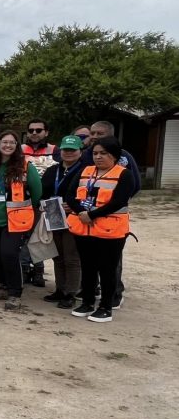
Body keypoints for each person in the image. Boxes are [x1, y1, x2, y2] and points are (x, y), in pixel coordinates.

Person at [65, 137, 133, 323]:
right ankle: (87, 302)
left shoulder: (124, 174)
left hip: (110, 230)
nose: (98, 157)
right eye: (95, 153)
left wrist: (92, 215)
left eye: (103, 153)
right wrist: (81, 212)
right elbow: (70, 195)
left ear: (115, 155)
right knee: (88, 267)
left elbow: (119, 201)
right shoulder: (85, 171)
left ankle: (105, 307)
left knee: (107, 269)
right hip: (85, 229)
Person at [79, 120, 141, 309]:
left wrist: (114, 202)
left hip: (110, 220)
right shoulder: (87, 155)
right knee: (89, 260)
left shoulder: (123, 156)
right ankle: (91, 291)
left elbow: (135, 184)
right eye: (93, 133)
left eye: (100, 134)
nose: (95, 137)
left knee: (111, 262)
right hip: (87, 218)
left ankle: (115, 294)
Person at [0, 130, 41, 310]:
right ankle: (1, 286)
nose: (8, 145)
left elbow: (36, 194)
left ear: (17, 146)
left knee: (9, 254)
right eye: (4, 142)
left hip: (15, 221)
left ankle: (15, 293)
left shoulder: (26, 167)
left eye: (12, 142)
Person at [39, 135, 84, 308]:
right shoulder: (53, 170)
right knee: (58, 256)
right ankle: (60, 289)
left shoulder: (85, 171)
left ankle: (70, 293)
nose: (69, 153)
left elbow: (88, 196)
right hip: (53, 214)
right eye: (66, 149)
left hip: (73, 218)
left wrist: (74, 207)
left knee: (71, 257)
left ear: (80, 151)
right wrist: (44, 203)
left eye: (73, 150)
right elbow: (42, 191)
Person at [20, 118, 60, 286]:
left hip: (50, 201)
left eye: (38, 130)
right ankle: (25, 270)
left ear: (46, 132)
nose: (34, 133)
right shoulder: (20, 149)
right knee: (25, 236)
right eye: (31, 130)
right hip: (26, 199)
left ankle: (39, 271)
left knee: (46, 238)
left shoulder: (55, 150)